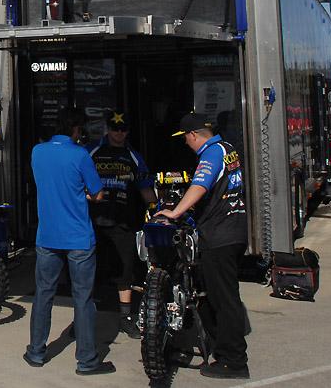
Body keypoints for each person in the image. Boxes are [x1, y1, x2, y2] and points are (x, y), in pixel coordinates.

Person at [157, 112, 249, 380]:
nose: (185, 143)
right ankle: (222, 350)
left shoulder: (211, 154)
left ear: (194, 135)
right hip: (234, 230)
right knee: (213, 297)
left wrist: (175, 212)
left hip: (219, 236)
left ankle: (234, 361)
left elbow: (200, 185)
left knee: (224, 300)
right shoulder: (228, 148)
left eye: (185, 137)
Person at [25, 107, 116, 375]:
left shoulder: (37, 152)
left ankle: (36, 351)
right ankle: (86, 360)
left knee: (43, 293)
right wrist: (82, 194)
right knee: (83, 298)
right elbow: (97, 194)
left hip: (47, 235)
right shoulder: (80, 154)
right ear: (77, 129)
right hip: (78, 236)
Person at [89, 110, 156, 339]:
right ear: (107, 129)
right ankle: (84, 319)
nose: (119, 133)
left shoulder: (133, 156)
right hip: (93, 221)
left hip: (123, 222)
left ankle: (126, 318)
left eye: (123, 129)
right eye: (115, 128)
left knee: (125, 271)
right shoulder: (92, 151)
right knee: (89, 271)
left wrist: (157, 209)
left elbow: (146, 188)